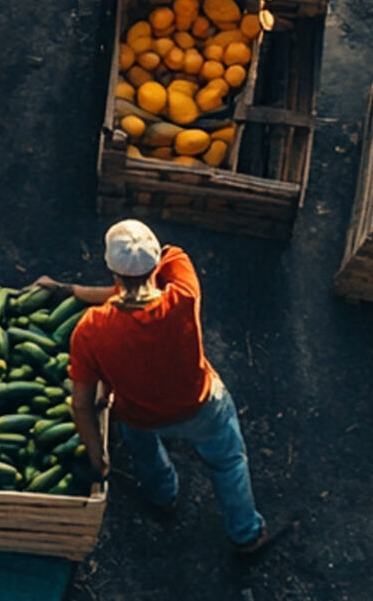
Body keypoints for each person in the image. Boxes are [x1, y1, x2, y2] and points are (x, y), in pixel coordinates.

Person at [38, 219, 267, 553]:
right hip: (201, 405)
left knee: (146, 453)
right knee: (228, 462)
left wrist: (98, 458)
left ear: (111, 269)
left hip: (140, 415)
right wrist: (73, 289)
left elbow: (82, 403)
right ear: (156, 261)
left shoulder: (91, 329)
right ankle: (246, 535)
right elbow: (153, 270)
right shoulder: (184, 293)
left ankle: (164, 497)